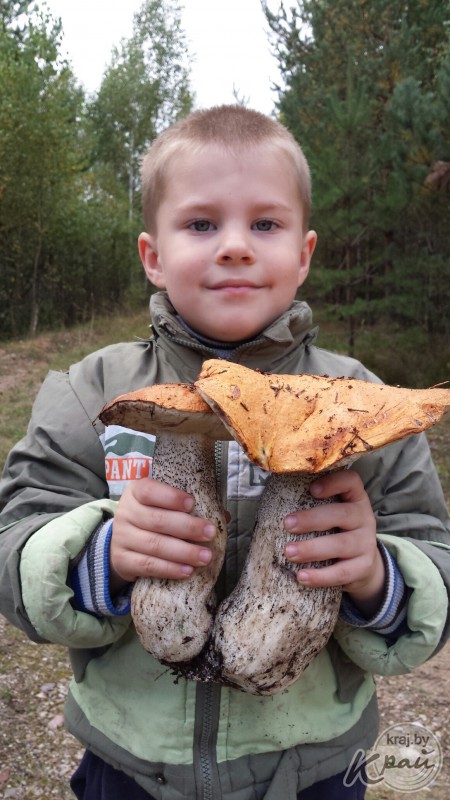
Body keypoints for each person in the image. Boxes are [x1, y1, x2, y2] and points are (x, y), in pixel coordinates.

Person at [0, 105, 449, 800]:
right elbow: (15, 540)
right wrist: (99, 555)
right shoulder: (91, 389)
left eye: (265, 224)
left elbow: (434, 557)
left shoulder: (359, 398)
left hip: (315, 770)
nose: (235, 246)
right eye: (202, 223)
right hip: (127, 766)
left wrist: (377, 577)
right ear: (153, 256)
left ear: (304, 254)